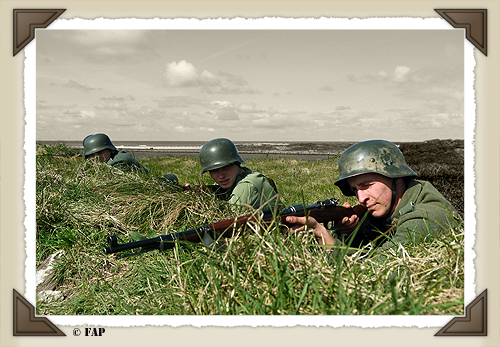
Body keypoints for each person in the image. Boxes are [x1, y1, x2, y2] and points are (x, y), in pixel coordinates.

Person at [285, 139, 459, 256]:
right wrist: (351, 233)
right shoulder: (388, 210)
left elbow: (377, 272)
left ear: (396, 177)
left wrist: (326, 240)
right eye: (354, 190)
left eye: (366, 186)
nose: (361, 198)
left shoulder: (426, 217)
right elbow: (366, 252)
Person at [198, 138, 280, 212]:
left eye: (226, 167)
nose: (221, 176)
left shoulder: (247, 186)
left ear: (238, 163)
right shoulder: (238, 176)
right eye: (214, 170)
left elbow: (226, 219)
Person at [82, 133, 151, 174]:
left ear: (111, 150)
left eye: (100, 152)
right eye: (91, 155)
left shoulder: (119, 161)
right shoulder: (105, 161)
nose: (96, 157)